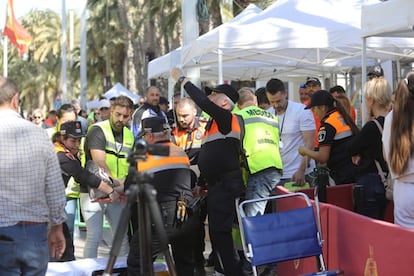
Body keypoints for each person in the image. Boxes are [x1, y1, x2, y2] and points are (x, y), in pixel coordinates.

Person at [171, 68, 245, 275]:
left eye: (214, 94)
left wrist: (183, 80)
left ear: (224, 102)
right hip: (215, 186)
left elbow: (202, 102)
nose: (209, 97)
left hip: (225, 185)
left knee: (220, 232)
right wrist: (201, 184)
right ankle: (227, 269)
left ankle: (233, 271)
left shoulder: (226, 117)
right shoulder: (214, 124)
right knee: (217, 233)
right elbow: (210, 157)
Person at [0, 76, 67, 274]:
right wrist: (57, 227)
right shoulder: (40, 135)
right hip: (35, 232)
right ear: (15, 99)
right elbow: (55, 187)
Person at [127, 116, 196, 275]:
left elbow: (130, 187)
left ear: (149, 136)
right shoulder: (180, 152)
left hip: (161, 216)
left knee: (138, 261)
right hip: (187, 213)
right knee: (184, 263)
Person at [82, 95, 134, 258]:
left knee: (121, 238)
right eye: (117, 114)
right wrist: (116, 188)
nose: (121, 119)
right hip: (94, 190)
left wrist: (120, 189)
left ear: (131, 114)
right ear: (111, 111)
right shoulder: (98, 130)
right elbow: (100, 164)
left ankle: (124, 271)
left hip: (118, 194)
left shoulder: (130, 135)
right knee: (94, 236)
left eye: (125, 116)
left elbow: (131, 167)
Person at [171, 97, 208, 274]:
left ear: (194, 112)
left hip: (207, 184)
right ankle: (196, 264)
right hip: (186, 185)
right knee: (194, 228)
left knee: (208, 229)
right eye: (179, 116)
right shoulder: (173, 131)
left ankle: (202, 262)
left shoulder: (205, 126)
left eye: (185, 115)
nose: (182, 119)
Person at [235, 87, 283, 216]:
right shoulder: (272, 117)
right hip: (276, 167)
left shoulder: (239, 116)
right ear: (255, 100)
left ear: (238, 105)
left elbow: (236, 145)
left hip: (258, 169)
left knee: (253, 218)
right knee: (272, 215)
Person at [348, 78, 392, 219]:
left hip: (371, 181)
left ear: (371, 100)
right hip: (389, 180)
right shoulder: (396, 122)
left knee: (369, 228)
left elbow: (351, 148)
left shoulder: (372, 126)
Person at [299, 90, 359, 185]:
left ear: (322, 107)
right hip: (355, 173)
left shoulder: (327, 126)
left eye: (314, 109)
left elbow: (322, 158)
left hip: (341, 177)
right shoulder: (341, 117)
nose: (314, 112)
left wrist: (305, 151)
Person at [266, 78, 315, 186]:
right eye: (272, 102)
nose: (276, 105)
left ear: (285, 94)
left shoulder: (302, 111)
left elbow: (310, 144)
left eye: (278, 101)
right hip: (277, 176)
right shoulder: (267, 114)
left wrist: (301, 170)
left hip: (299, 174)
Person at [382, 72, 414, 229]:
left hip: (403, 189)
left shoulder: (391, 118)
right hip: (403, 186)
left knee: (407, 247)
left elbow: (385, 155)